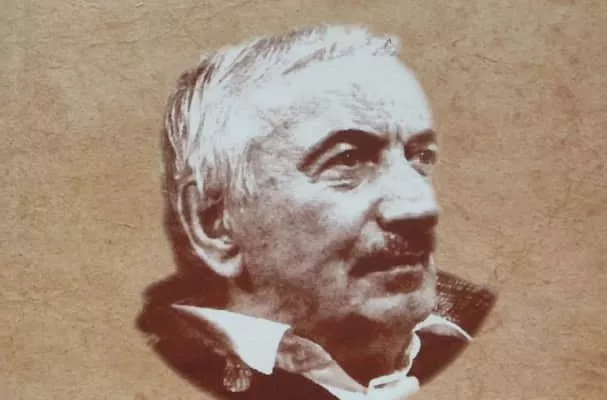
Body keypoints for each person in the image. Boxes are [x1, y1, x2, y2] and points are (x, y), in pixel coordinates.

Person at [136, 24, 496, 400]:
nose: (422, 207)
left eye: (419, 157)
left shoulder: (487, 339)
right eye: (348, 159)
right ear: (215, 223)